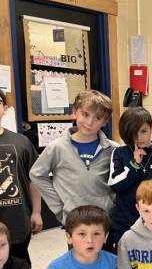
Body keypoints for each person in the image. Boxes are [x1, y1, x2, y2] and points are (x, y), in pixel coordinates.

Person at [29, 90, 118, 251]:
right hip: (75, 222)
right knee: (79, 267)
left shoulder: (113, 149)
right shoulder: (57, 147)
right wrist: (59, 207)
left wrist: (112, 203)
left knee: (108, 264)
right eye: (85, 114)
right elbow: (37, 174)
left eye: (97, 118)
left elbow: (121, 181)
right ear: (74, 112)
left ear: (105, 122)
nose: (89, 122)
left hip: (105, 221)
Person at [0, 82, 43, 265]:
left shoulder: (21, 142)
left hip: (16, 223)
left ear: (5, 108)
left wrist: (37, 212)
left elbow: (34, 179)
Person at [108, 107, 152, 248]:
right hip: (124, 223)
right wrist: (134, 165)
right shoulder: (119, 153)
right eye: (133, 133)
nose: (139, 137)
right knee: (125, 265)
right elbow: (115, 185)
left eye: (143, 131)